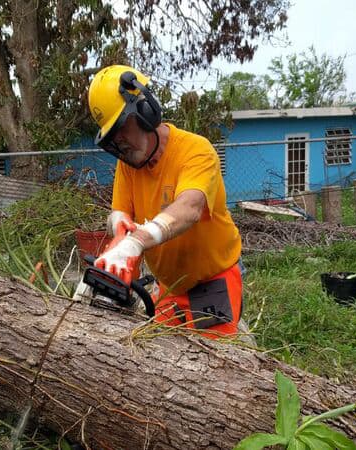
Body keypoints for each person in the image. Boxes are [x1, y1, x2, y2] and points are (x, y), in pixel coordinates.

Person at [87, 64, 243, 338]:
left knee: (213, 366)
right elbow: (120, 211)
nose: (120, 141)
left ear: (146, 111)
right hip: (169, 286)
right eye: (113, 136)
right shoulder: (129, 165)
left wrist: (137, 242)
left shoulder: (196, 151)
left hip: (211, 283)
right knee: (159, 356)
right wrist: (119, 228)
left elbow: (189, 208)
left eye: (122, 127)